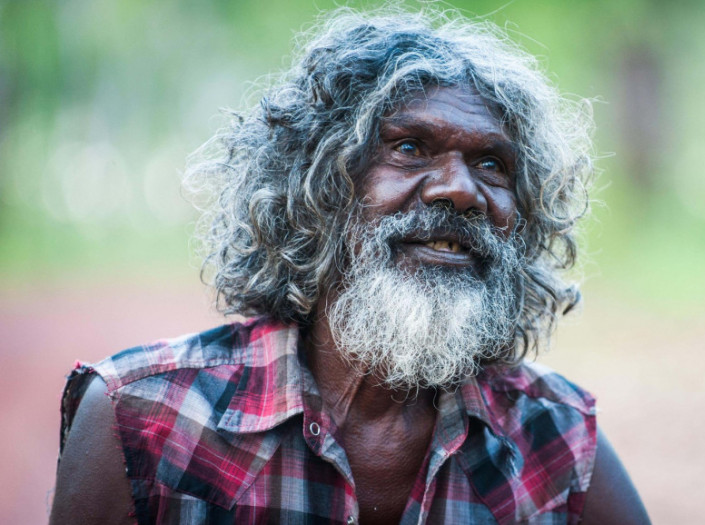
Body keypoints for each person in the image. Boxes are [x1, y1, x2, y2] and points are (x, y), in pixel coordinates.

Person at [50, 8, 650, 525]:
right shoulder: (144, 418)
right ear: (317, 187)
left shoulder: (557, 440)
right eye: (410, 148)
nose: (460, 190)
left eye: (492, 163)